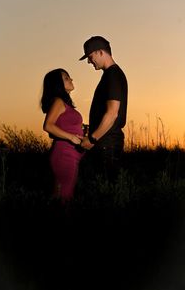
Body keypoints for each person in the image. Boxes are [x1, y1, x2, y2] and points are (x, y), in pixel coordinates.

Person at [79, 36, 128, 182]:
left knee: (106, 190)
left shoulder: (113, 75)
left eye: (90, 56)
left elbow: (112, 113)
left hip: (107, 144)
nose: (89, 61)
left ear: (101, 52)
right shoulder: (110, 75)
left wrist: (93, 139)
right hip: (105, 142)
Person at [40, 68, 84, 204]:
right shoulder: (58, 101)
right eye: (66, 78)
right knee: (64, 197)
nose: (71, 79)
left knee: (64, 195)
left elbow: (64, 125)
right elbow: (48, 125)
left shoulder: (65, 104)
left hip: (72, 155)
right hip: (64, 154)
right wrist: (71, 137)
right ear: (57, 84)